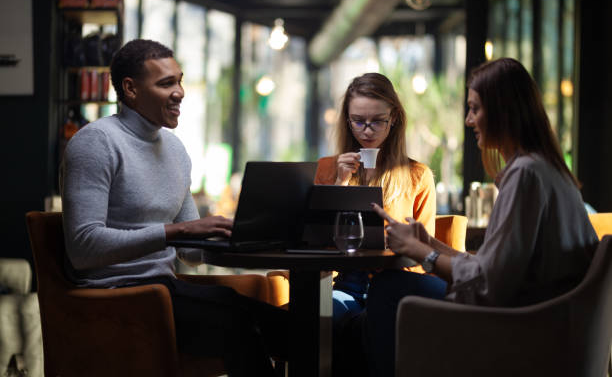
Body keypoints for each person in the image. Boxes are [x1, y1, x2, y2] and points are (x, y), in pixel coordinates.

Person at [60, 39, 287, 377]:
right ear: (131, 89)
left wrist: (243, 233)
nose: (180, 92)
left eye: (179, 80)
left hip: (165, 291)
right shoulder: (95, 143)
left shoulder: (175, 149)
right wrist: (176, 232)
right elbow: (83, 248)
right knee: (243, 323)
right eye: (166, 83)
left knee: (286, 325)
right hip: (116, 299)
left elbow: (189, 251)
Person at [366, 57, 599, 377]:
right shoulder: (547, 168)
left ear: (503, 111)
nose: (468, 119)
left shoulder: (526, 175)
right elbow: (495, 268)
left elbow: (491, 284)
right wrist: (431, 242)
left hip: (523, 326)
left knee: (388, 287)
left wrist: (423, 253)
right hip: (547, 320)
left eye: (475, 109)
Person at [314, 72, 437, 375]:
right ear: (346, 119)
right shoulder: (328, 169)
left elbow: (424, 252)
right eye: (358, 121)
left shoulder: (417, 175)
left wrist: (399, 242)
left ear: (393, 118)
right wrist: (340, 184)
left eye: (377, 121)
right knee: (326, 317)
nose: (367, 131)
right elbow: (313, 239)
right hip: (348, 283)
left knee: (363, 325)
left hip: (397, 281)